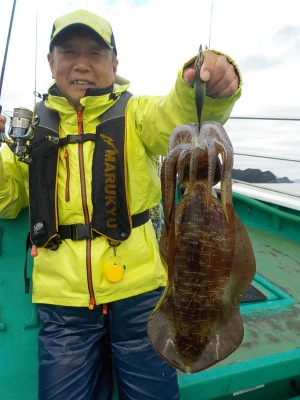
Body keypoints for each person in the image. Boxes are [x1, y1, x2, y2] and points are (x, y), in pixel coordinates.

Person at [0, 9, 241, 400]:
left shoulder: (136, 114)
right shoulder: (34, 135)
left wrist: (209, 88)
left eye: (95, 54)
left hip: (140, 291)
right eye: (68, 53)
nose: (81, 64)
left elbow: (177, 118)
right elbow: (7, 199)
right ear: (51, 62)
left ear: (114, 63)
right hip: (63, 304)